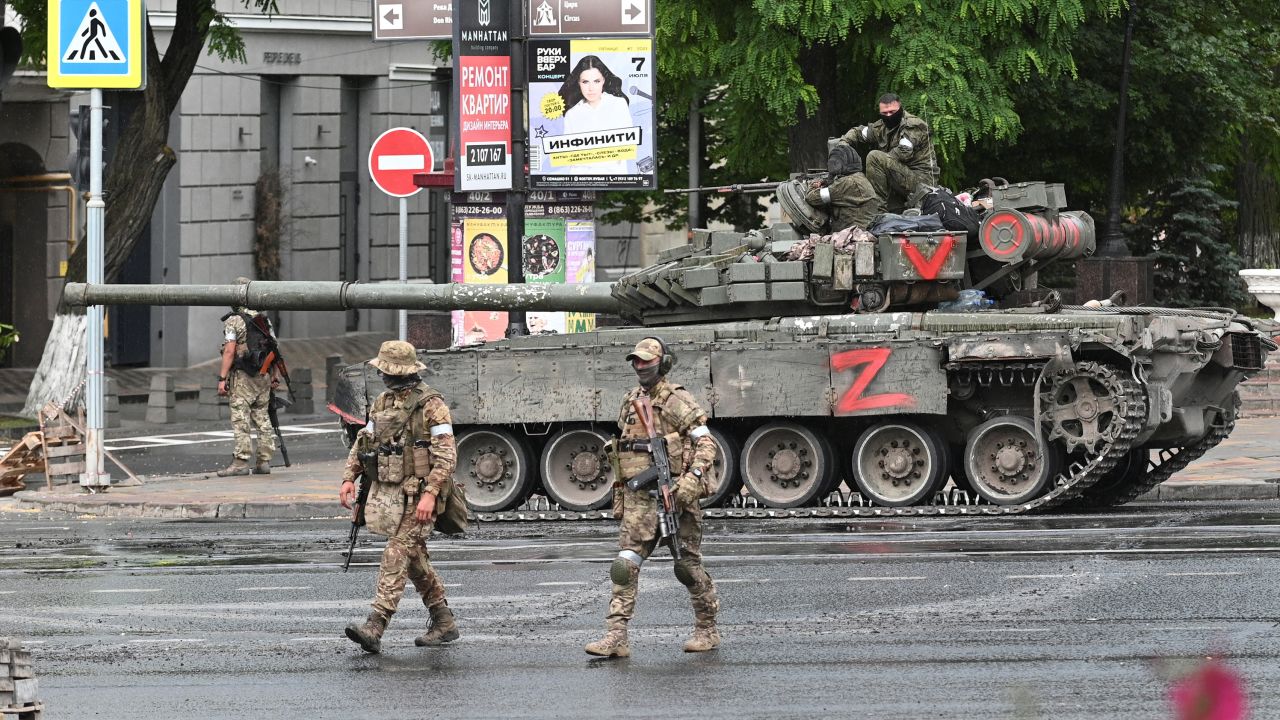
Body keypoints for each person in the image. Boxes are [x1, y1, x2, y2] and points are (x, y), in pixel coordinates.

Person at [585, 338, 720, 658]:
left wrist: (692, 480)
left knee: (686, 567)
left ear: (663, 363)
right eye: (636, 361)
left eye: (646, 360)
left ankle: (707, 629)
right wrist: (619, 494)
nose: (640, 366)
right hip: (640, 498)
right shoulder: (630, 400)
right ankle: (616, 636)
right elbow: (620, 451)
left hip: (675, 493)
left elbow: (707, 445)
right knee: (624, 564)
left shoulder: (677, 400)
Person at [340, 340, 459, 654]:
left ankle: (375, 625)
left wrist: (431, 494)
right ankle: (443, 620)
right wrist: (349, 477)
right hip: (392, 496)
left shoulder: (432, 404)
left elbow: (447, 456)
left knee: (396, 553)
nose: (383, 377)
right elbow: (364, 442)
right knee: (414, 558)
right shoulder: (381, 402)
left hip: (421, 495)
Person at [216, 284, 277, 477]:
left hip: (243, 377)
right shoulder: (264, 320)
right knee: (262, 417)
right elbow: (274, 349)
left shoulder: (234, 321)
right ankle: (264, 461)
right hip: (263, 375)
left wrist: (222, 378)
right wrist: (274, 375)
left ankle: (241, 462)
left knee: (241, 418)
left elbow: (229, 350)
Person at [841, 93, 939, 212]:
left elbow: (903, 153)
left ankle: (878, 212)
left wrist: (881, 166)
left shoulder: (913, 125)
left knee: (875, 157)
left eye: (892, 112)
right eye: (884, 113)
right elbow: (859, 133)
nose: (888, 116)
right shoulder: (882, 127)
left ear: (900, 108)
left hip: (921, 183)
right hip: (900, 179)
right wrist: (843, 144)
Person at [557, 55, 634, 175]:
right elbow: (569, 155)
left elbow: (628, 145)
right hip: (580, 178)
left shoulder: (618, 104)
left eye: (596, 81)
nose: (591, 88)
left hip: (614, 177)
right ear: (578, 83)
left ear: (603, 80)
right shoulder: (572, 114)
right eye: (585, 82)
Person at [805, 141, 885, 232]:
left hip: (852, 237)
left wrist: (813, 184)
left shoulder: (846, 183)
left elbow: (812, 198)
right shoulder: (859, 178)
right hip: (861, 233)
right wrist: (827, 182)